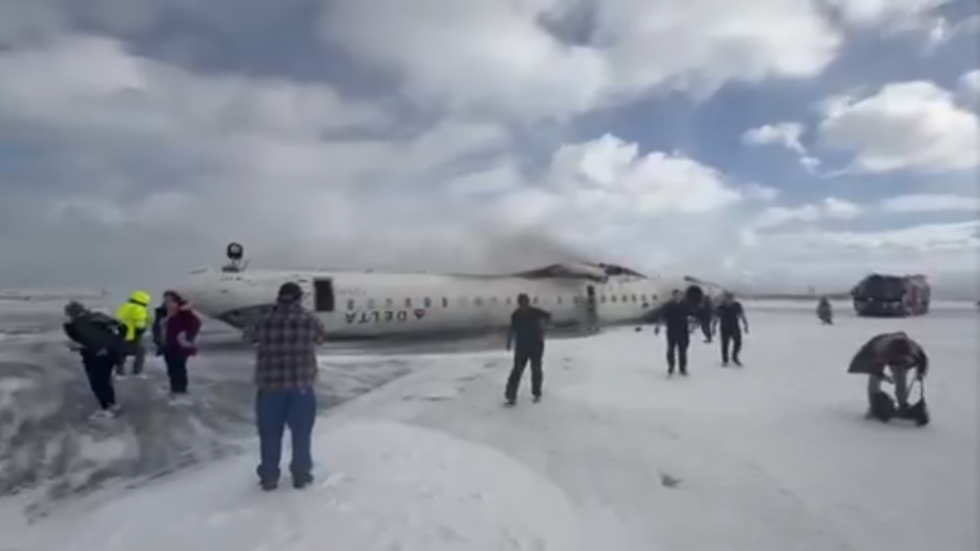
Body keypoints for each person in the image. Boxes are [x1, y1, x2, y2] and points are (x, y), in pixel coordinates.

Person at [244, 282, 327, 491]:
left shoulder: (263, 320)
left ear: (279, 298)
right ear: (299, 298)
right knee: (301, 434)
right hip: (301, 387)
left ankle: (270, 476)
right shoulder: (309, 320)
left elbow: (247, 338)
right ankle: (301, 475)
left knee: (270, 434)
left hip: (270, 388)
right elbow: (320, 337)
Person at [63, 301, 126, 419]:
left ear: (72, 313)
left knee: (98, 383)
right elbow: (122, 328)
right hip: (111, 353)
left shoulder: (79, 324)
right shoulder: (98, 316)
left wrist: (83, 347)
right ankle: (111, 406)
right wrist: (115, 346)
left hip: (96, 356)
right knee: (104, 381)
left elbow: (91, 340)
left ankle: (108, 408)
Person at [847, 332, 927, 419]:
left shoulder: (914, 349)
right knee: (874, 378)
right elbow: (875, 369)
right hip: (876, 353)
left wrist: (920, 372)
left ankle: (903, 404)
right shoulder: (880, 350)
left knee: (901, 377)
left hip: (897, 353)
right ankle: (874, 406)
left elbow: (923, 359)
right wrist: (883, 376)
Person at [504, 293, 552, 406]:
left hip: (535, 345)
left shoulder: (535, 312)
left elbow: (548, 316)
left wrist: (544, 328)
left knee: (535, 369)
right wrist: (509, 341)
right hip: (522, 346)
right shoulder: (516, 315)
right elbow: (512, 329)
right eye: (521, 303)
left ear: (528, 302)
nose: (523, 305)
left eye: (525, 302)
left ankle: (536, 393)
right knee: (517, 371)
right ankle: (511, 396)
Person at [159, 290, 201, 404]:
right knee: (171, 369)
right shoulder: (166, 314)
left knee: (179, 369)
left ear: (177, 302)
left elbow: (196, 323)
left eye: (170, 301)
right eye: (165, 301)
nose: (167, 303)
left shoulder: (184, 313)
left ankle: (180, 391)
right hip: (169, 346)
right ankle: (175, 389)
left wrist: (187, 336)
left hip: (180, 346)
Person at [654, 289, 692, 376]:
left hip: (683, 330)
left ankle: (683, 368)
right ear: (673, 296)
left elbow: (690, 314)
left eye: (679, 295)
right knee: (671, 349)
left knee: (682, 350)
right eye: (676, 295)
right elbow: (662, 316)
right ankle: (671, 367)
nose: (678, 297)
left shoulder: (685, 305)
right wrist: (658, 326)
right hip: (672, 330)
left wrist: (692, 324)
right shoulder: (668, 305)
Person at [114, 290, 151, 378]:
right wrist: (143, 328)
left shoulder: (124, 306)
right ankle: (137, 371)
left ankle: (119, 372)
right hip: (134, 334)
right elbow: (140, 324)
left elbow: (117, 318)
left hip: (121, 333)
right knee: (140, 352)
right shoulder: (140, 309)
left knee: (121, 353)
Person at [714, 292, 749, 366]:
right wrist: (713, 328)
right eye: (727, 298)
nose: (729, 300)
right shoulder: (721, 307)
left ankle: (734, 356)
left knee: (738, 343)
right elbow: (716, 318)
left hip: (734, 327)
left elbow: (742, 315)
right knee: (725, 344)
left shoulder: (736, 306)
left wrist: (745, 325)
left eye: (730, 298)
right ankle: (725, 360)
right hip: (724, 327)